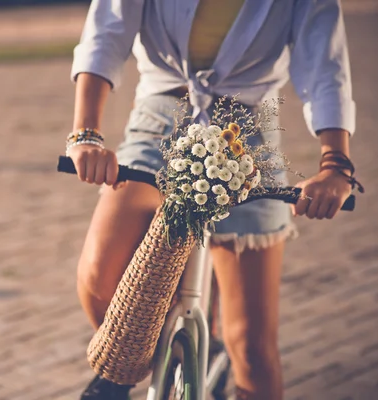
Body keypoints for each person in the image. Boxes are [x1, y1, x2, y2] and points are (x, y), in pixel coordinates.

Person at [66, 1, 361, 399]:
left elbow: (325, 65)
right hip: (161, 118)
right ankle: (155, 357)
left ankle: (213, 353)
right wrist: (86, 134)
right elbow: (106, 33)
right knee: (103, 283)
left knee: (252, 351)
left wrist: (335, 165)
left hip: (248, 135)